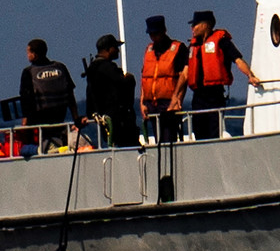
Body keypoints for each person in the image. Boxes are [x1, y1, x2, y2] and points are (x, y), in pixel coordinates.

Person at [183, 10, 263, 140]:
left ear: (206, 24)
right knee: (198, 130)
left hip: (214, 94)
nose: (192, 28)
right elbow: (185, 73)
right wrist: (176, 97)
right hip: (198, 97)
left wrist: (250, 76)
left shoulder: (222, 41)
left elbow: (238, 60)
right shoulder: (193, 46)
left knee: (214, 130)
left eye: (195, 24)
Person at [18, 39, 79, 151]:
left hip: (39, 121)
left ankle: (39, 149)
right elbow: (70, 95)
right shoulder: (60, 67)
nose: (27, 55)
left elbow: (26, 100)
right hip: (59, 117)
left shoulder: (28, 72)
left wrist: (25, 123)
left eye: (28, 52)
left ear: (34, 54)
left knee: (27, 146)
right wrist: (76, 118)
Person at [82, 35, 140, 148]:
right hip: (118, 121)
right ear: (108, 49)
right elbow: (123, 85)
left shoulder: (92, 69)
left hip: (104, 119)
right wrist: (129, 78)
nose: (118, 50)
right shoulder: (108, 68)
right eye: (115, 47)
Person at [139, 15, 188, 143]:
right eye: (151, 34)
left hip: (168, 102)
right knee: (158, 140)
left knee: (168, 139)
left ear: (164, 31)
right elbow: (145, 78)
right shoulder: (148, 50)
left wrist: (177, 100)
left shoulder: (178, 48)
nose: (153, 37)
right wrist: (142, 102)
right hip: (151, 104)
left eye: (156, 33)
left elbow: (184, 77)